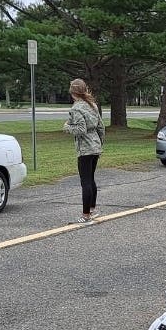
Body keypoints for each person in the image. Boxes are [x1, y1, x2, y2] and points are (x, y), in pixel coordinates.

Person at [64, 78, 104, 223]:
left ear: (72, 92)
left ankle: (86, 215)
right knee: (91, 179)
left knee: (85, 181)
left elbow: (80, 129)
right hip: (95, 146)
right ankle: (92, 209)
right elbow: (101, 127)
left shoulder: (76, 109)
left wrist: (67, 127)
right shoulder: (92, 105)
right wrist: (100, 144)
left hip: (85, 149)